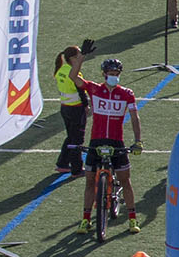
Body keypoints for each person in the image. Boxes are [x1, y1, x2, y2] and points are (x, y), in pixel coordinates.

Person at [78, 56, 142, 232]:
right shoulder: (94, 89)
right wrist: (80, 59)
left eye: (116, 73)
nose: (114, 76)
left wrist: (138, 141)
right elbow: (74, 77)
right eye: (111, 73)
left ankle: (132, 219)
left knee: (125, 180)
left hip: (116, 141)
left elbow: (135, 117)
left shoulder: (127, 94)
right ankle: (85, 219)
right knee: (89, 180)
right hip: (96, 140)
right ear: (104, 74)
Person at [51, 41, 90, 176]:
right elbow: (81, 91)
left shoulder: (61, 70)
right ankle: (76, 169)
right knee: (77, 140)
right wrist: (86, 106)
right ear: (73, 58)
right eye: (79, 55)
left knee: (70, 137)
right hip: (76, 109)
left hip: (65, 108)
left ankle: (62, 163)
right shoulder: (75, 74)